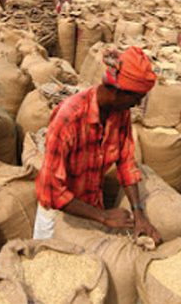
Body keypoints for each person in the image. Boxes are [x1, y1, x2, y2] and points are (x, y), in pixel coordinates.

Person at [34, 46, 162, 243]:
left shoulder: (120, 113)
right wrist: (104, 217)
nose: (135, 105)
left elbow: (126, 162)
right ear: (118, 91)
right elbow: (52, 191)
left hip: (92, 206)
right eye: (135, 99)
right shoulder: (68, 118)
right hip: (60, 215)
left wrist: (138, 213)